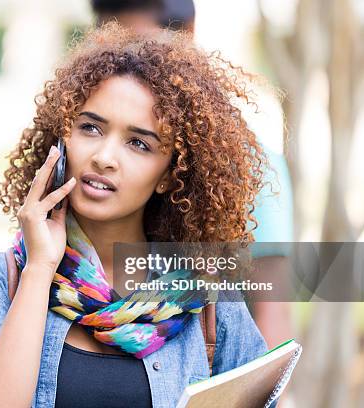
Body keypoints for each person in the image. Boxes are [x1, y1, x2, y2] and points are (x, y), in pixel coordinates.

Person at [0, 24, 276, 408]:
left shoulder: (209, 301)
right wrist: (40, 268)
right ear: (62, 140)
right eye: (90, 128)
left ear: (170, 175)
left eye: (138, 143)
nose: (103, 157)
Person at [91, 0, 295, 352]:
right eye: (112, 42)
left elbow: (273, 313)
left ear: (186, 37)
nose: (130, 60)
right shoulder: (86, 150)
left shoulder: (240, 162)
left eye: (140, 42)